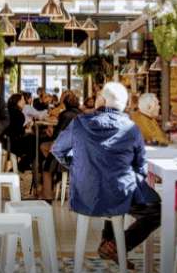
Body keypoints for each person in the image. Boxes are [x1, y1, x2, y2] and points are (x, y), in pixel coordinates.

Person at [51, 82, 160, 263]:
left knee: (115, 185)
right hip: (118, 192)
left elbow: (57, 149)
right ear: (124, 105)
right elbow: (140, 168)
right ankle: (118, 245)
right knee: (154, 209)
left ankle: (108, 242)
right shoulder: (132, 128)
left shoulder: (79, 123)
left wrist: (81, 167)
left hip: (84, 195)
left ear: (101, 100)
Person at [39, 91, 82, 199]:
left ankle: (47, 197)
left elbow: (58, 137)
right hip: (79, 153)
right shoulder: (82, 114)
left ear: (65, 103)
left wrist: (52, 135)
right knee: (45, 148)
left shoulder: (65, 115)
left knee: (46, 167)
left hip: (65, 152)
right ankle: (58, 176)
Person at [3, 93, 36, 171]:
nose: (24, 102)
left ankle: (21, 165)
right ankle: (22, 165)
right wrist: (27, 129)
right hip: (14, 144)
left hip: (6, 141)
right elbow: (17, 131)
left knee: (32, 139)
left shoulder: (9, 111)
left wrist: (25, 127)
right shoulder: (18, 114)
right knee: (35, 142)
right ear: (17, 102)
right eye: (22, 100)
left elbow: (14, 128)